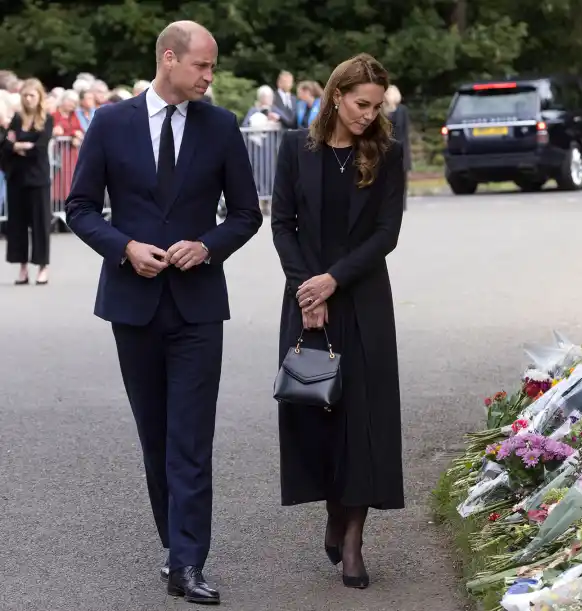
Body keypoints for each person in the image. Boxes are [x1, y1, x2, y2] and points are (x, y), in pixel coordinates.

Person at [64, 20, 262, 605]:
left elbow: (247, 214)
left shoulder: (222, 127)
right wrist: (123, 247)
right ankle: (172, 545)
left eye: (213, 67)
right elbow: (79, 207)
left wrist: (208, 245)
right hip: (133, 304)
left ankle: (188, 562)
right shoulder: (110, 122)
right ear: (169, 59)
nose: (210, 76)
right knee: (156, 438)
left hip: (199, 307)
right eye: (202, 65)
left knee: (190, 438)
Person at [271, 52, 406, 590]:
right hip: (306, 297)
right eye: (359, 104)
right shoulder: (293, 149)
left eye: (376, 106)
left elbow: (386, 233)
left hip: (363, 298)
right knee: (318, 415)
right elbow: (283, 223)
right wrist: (309, 288)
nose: (368, 115)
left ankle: (353, 539)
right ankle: (333, 511)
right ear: (335, 96)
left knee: (364, 424)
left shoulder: (387, 152)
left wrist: (335, 280)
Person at [2, 78, 54, 285]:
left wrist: (20, 146)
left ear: (40, 97)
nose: (28, 99)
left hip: (38, 178)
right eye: (25, 95)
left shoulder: (46, 119)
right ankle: (22, 266)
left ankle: (43, 266)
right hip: (16, 178)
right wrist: (16, 147)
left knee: (40, 223)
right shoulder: (16, 118)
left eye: (32, 95)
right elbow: (5, 143)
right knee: (17, 224)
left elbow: (41, 146)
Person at [383, 85, 411, 210]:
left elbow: (404, 130)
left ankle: (402, 203)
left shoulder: (402, 110)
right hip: (386, 147)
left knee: (401, 177)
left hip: (400, 146)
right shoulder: (383, 110)